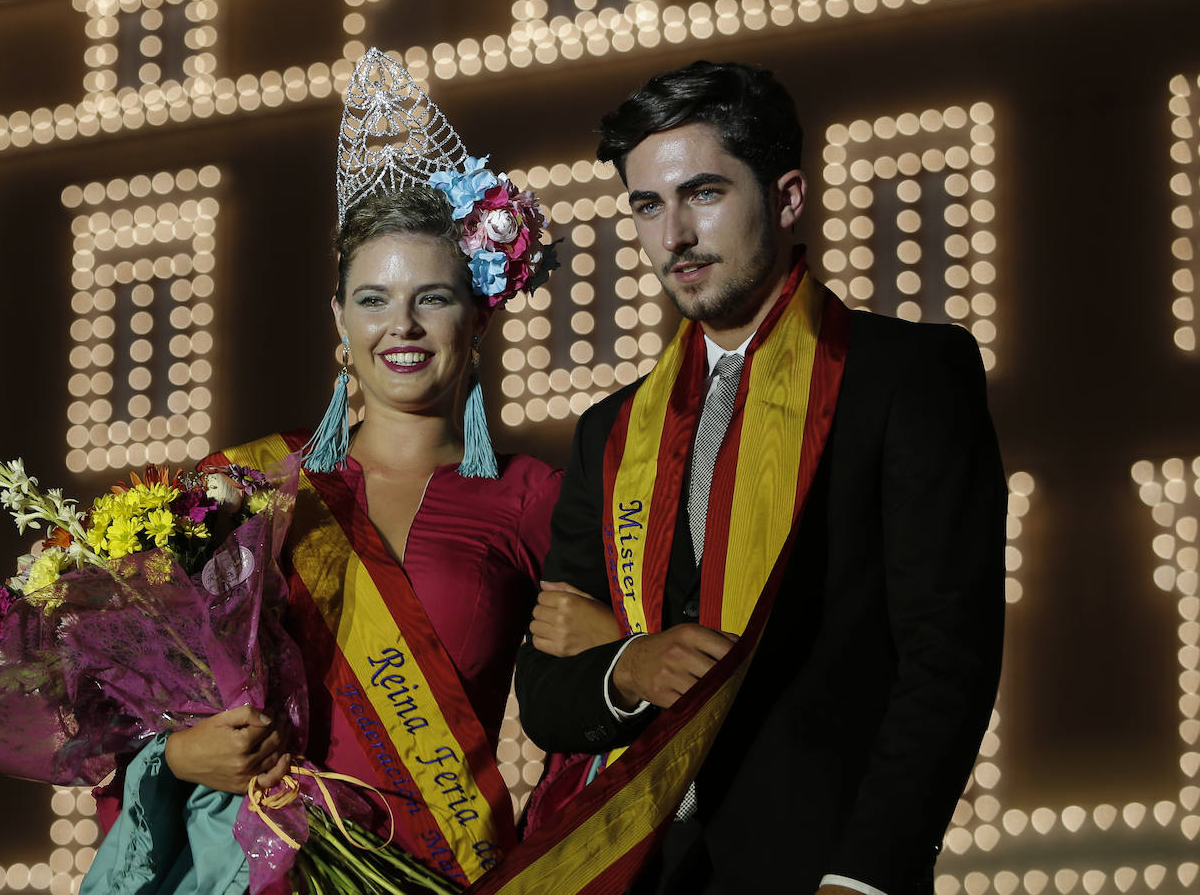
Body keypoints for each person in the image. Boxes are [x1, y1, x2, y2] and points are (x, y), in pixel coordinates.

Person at [510, 60, 1006, 895]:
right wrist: (630, 665)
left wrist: (866, 874)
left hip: (820, 866)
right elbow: (547, 693)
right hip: (645, 872)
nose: (674, 237)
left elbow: (947, 658)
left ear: (786, 198)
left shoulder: (905, 375)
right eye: (647, 205)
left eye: (703, 193)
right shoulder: (613, 430)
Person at [81, 49, 562, 893]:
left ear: (477, 316)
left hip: (447, 875)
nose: (402, 325)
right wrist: (180, 757)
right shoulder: (244, 488)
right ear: (339, 318)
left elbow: (584, 708)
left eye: (434, 297)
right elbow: (121, 707)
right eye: (374, 298)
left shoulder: (534, 498)